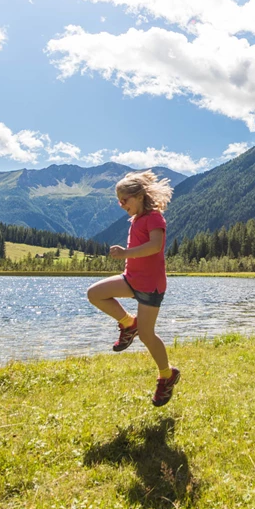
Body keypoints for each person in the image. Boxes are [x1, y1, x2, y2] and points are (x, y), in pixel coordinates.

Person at [86, 170, 181, 406]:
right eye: (119, 201)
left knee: (147, 335)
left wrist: (126, 253)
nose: (121, 205)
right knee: (94, 294)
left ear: (139, 195)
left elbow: (155, 246)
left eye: (124, 200)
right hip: (131, 279)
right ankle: (129, 323)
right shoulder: (136, 219)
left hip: (151, 286)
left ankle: (167, 376)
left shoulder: (154, 218)